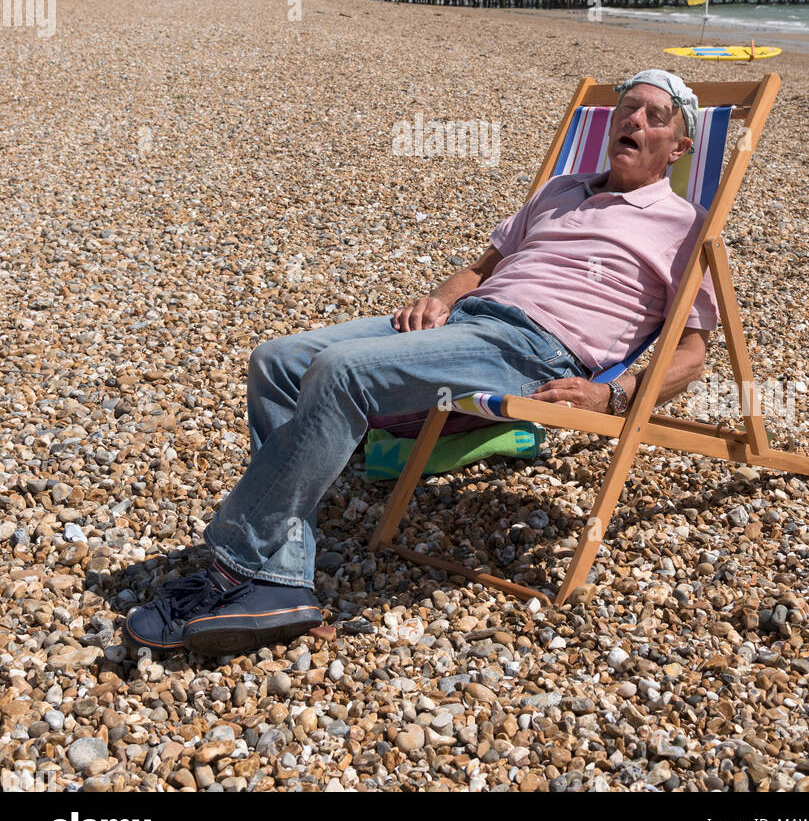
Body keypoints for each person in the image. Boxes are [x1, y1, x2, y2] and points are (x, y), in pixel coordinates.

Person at [125, 69, 718, 655]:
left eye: (654, 116)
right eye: (627, 110)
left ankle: (235, 572)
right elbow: (481, 270)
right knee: (277, 360)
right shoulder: (561, 188)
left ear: (679, 148)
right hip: (465, 322)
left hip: (531, 348)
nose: (634, 121)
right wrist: (440, 297)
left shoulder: (684, 225)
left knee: (342, 372)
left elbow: (693, 352)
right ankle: (278, 577)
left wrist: (614, 396)